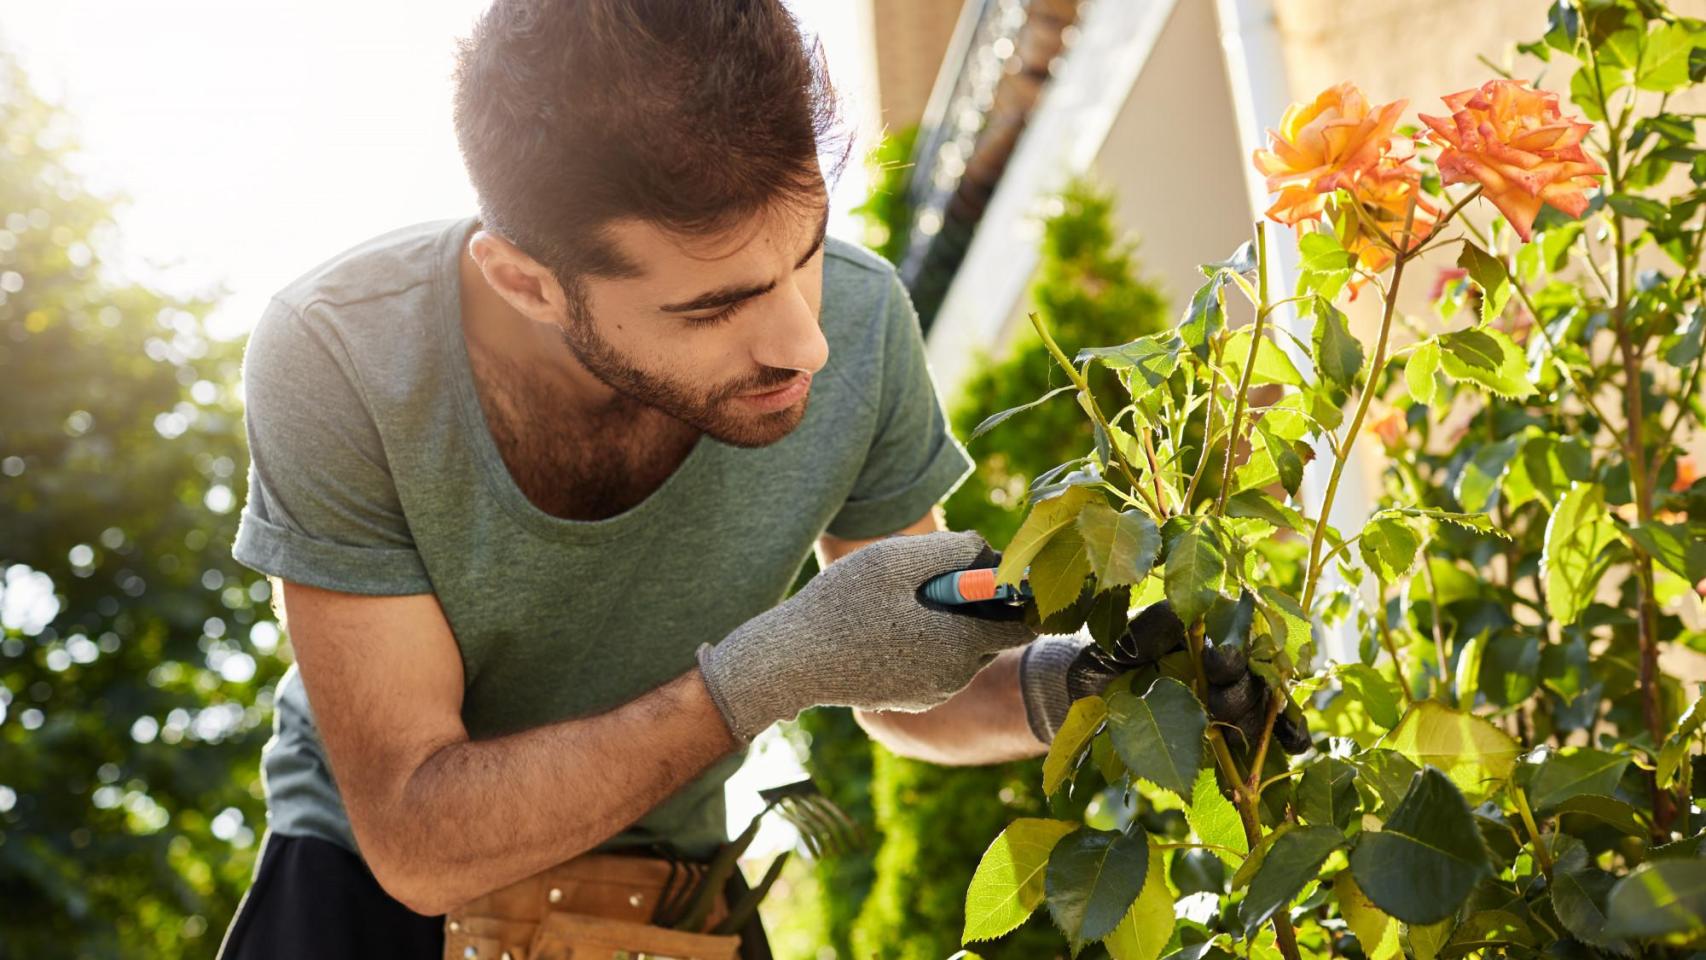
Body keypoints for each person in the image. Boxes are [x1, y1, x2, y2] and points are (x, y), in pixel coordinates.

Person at [213, 3, 1138, 957]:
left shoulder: (865, 322)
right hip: (366, 908)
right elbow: (420, 845)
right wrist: (770, 668)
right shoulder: (341, 353)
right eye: (714, 307)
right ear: (526, 283)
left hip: (680, 905)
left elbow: (921, 684)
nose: (805, 345)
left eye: (808, 250)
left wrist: (1095, 682)